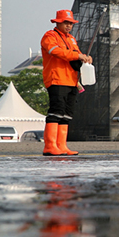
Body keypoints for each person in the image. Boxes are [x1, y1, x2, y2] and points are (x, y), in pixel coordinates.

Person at [40, 10, 92, 156]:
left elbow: (77, 55)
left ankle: (62, 146)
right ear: (57, 22)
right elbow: (55, 51)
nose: (69, 26)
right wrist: (78, 55)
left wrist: (86, 58)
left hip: (72, 81)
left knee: (66, 115)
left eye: (71, 23)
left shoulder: (72, 39)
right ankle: (50, 146)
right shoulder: (50, 36)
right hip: (56, 78)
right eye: (65, 23)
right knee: (56, 112)